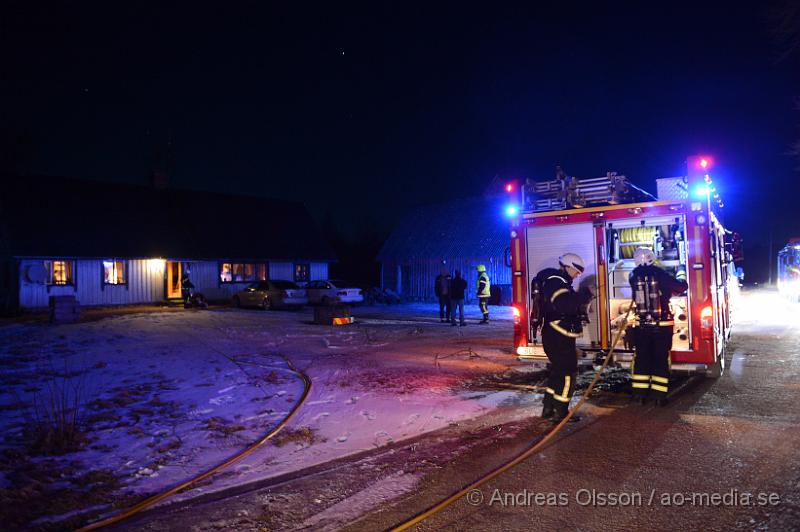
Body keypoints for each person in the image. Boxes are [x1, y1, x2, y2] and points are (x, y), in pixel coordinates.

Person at [537, 253, 594, 423]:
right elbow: (565, 305)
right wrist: (584, 295)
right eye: (576, 271)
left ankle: (548, 408)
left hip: (556, 335)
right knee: (568, 374)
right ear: (567, 266)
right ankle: (561, 412)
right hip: (558, 336)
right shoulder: (556, 282)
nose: (578, 275)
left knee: (558, 372)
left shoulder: (558, 282)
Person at [628, 247, 688, 406]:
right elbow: (682, 286)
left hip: (641, 326)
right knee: (660, 360)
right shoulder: (660, 274)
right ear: (652, 258)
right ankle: (658, 397)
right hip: (662, 326)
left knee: (642, 359)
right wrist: (681, 272)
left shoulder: (632, 275)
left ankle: (639, 395)